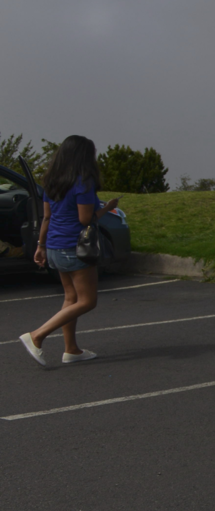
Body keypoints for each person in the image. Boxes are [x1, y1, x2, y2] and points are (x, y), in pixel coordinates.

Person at [18, 135, 118, 367]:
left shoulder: (51, 182)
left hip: (54, 246)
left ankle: (71, 350)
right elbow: (85, 219)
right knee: (87, 301)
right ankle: (37, 336)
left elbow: (46, 218)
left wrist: (41, 247)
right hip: (75, 248)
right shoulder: (83, 182)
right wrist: (108, 208)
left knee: (71, 298)